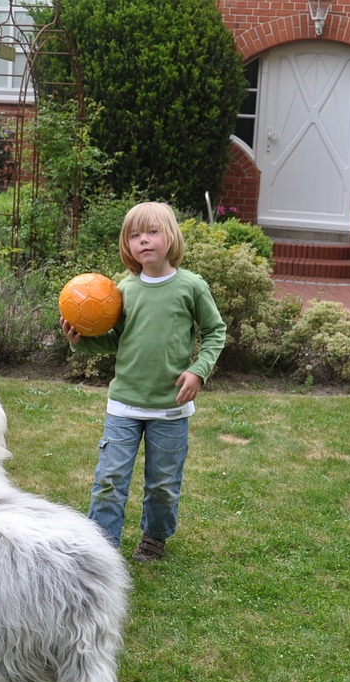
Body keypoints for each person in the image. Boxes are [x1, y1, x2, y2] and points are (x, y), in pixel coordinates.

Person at [60, 202, 226, 562]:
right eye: (135, 235)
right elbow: (116, 338)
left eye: (152, 232)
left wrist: (199, 370)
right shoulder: (123, 290)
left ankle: (155, 536)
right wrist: (81, 341)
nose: (144, 241)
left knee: (163, 485)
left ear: (171, 237)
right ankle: (101, 546)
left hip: (171, 408)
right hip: (124, 405)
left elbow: (215, 331)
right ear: (127, 245)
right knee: (110, 480)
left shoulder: (191, 286)